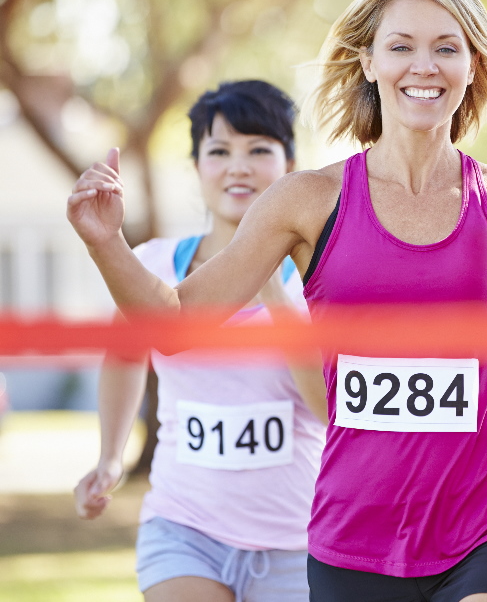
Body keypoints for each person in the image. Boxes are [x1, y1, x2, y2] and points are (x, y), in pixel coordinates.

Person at [66, 0, 487, 602]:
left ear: (473, 66)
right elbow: (174, 328)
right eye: (401, 47)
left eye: (447, 48)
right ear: (368, 61)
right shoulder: (306, 201)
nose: (424, 66)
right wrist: (105, 241)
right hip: (356, 538)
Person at [72, 80, 328, 602]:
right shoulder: (153, 265)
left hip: (297, 545)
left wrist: (274, 295)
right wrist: (110, 458)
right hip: (183, 529)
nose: (239, 166)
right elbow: (124, 355)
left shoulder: (320, 278)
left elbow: (329, 408)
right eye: (219, 151)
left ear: (291, 166)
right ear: (196, 166)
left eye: (260, 149)